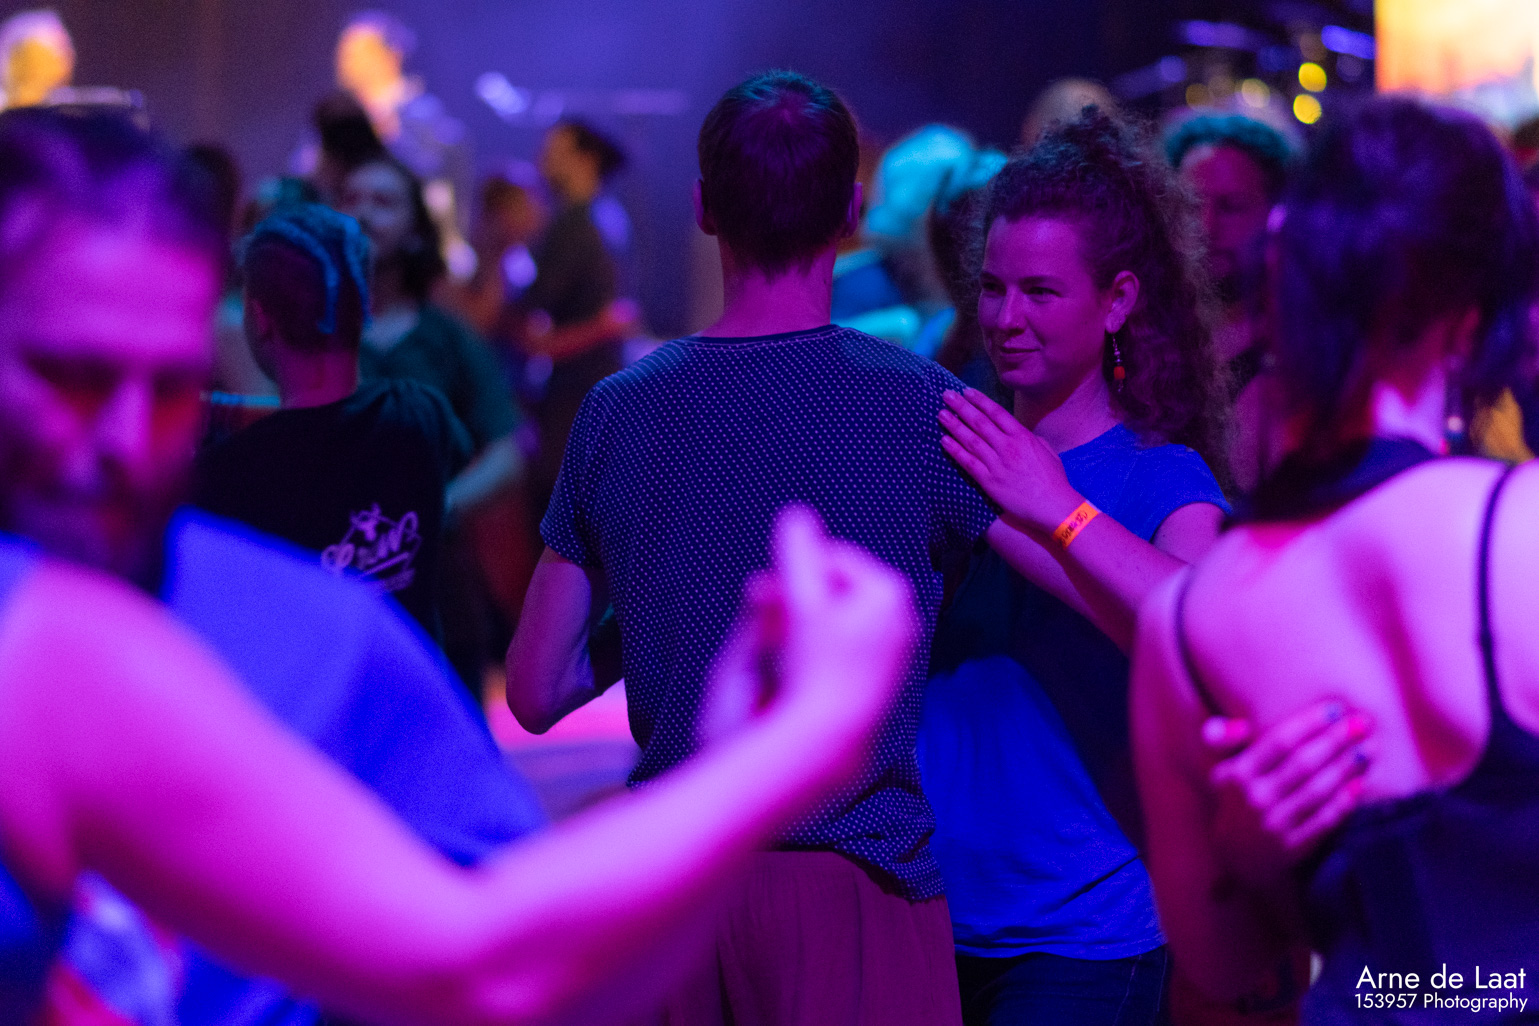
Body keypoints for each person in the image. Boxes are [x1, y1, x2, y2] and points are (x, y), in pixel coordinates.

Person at [0, 105, 906, 1026]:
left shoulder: (325, 635)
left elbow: (522, 963)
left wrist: (757, 753)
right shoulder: (46, 636)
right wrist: (793, 741)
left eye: (168, 388)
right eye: (70, 377)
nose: (123, 441)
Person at [507, 70, 1006, 1025]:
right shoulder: (922, 408)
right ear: (850, 210)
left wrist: (665, 602)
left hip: (678, 891)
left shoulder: (617, 412)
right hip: (855, 879)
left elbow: (535, 690)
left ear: (703, 209)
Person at [1132, 96, 1539, 1022]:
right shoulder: (1518, 533)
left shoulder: (1186, 624)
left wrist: (1250, 857)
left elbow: (1224, 970)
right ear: (1470, 318)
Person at [918, 106, 1232, 1026]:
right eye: (992, 289)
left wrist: (1051, 506)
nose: (1006, 319)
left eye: (1041, 293)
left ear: (1117, 301)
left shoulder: (1160, 473)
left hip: (1086, 932)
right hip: (931, 909)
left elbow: (1197, 629)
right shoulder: (952, 443)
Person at [193, 203, 470, 641]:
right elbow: (329, 422)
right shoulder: (419, 415)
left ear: (261, 320)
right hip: (408, 682)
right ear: (364, 308)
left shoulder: (225, 476)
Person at [339, 153, 522, 690]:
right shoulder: (313, 331)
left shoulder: (447, 336)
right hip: (330, 577)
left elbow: (509, 449)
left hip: (435, 580)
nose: (364, 214)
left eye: (384, 202)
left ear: (417, 229)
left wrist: (441, 505)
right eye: (351, 200)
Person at [1165, 113, 1293, 492]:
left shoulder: (1292, 354)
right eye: (1191, 206)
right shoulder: (1142, 334)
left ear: (1277, 214)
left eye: (1231, 206)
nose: (1207, 227)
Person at [520, 117, 635, 520]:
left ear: (586, 159)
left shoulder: (573, 224)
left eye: (553, 151)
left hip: (571, 398)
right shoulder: (611, 216)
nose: (542, 160)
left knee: (560, 519)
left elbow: (532, 316)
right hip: (601, 386)